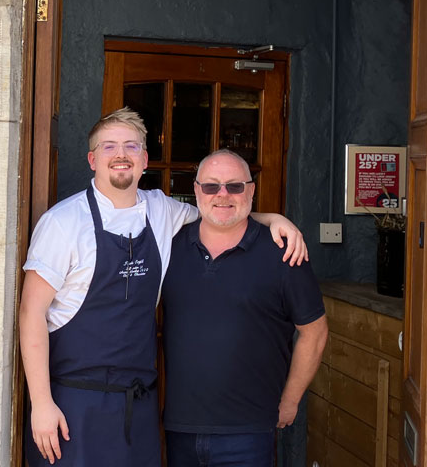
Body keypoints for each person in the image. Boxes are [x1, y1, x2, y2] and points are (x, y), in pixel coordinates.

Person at [19, 109, 309, 466]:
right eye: (109, 147)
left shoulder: (161, 210)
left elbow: (219, 212)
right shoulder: (62, 223)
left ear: (144, 160)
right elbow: (30, 313)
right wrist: (42, 403)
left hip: (139, 407)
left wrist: (274, 219)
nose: (121, 154)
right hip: (74, 405)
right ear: (93, 159)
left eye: (131, 146)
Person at [161, 148, 328, 467]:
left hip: (249, 432)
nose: (222, 195)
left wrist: (290, 402)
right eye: (211, 186)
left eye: (235, 186)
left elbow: (315, 333)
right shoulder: (170, 248)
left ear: (250, 190)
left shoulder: (284, 253)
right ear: (196, 191)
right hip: (180, 427)